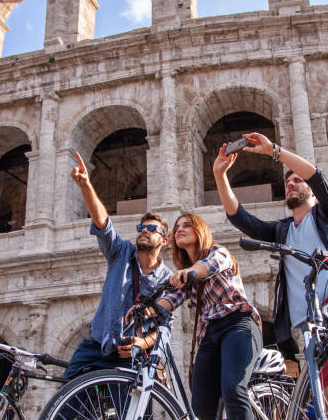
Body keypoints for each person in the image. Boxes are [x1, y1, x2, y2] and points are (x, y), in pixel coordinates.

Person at [212, 132, 328, 357]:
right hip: (311, 318)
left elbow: (317, 177)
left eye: (297, 180)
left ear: (311, 190)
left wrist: (275, 151)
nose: (290, 184)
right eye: (287, 182)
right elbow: (239, 217)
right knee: (327, 391)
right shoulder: (281, 231)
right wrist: (219, 174)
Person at [64, 151, 173, 380]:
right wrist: (86, 186)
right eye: (141, 227)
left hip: (128, 354)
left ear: (164, 240)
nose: (144, 230)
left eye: (152, 229)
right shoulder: (120, 252)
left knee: (127, 412)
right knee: (66, 400)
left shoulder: (167, 279)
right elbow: (103, 223)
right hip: (95, 344)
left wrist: (142, 342)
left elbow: (164, 326)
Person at [154, 212, 262, 420]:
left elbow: (208, 266)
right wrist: (146, 310)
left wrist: (191, 272)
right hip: (209, 336)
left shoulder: (219, 253)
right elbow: (171, 299)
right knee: (200, 405)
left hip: (238, 324)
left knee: (233, 388)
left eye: (186, 225)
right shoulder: (188, 274)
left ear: (200, 230)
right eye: (176, 228)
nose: (179, 230)